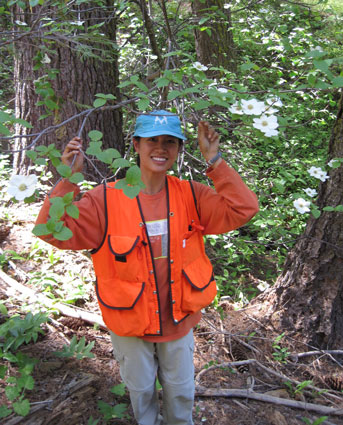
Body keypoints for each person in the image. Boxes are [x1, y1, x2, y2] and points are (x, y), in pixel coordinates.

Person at [35, 110, 259, 425]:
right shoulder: (106, 199)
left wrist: (216, 160)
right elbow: (49, 229)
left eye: (170, 141)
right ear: (136, 145)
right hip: (129, 321)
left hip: (178, 320)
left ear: (180, 149)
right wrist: (68, 178)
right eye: (152, 140)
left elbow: (244, 207)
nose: (161, 148)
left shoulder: (191, 195)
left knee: (180, 392)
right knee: (141, 391)